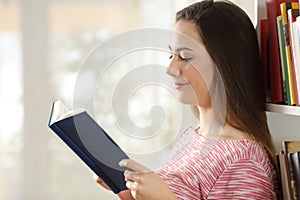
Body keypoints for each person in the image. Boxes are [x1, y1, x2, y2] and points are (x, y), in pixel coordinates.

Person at [95, 0, 278, 199]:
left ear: (225, 65)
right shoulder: (192, 136)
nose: (170, 69)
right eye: (171, 55)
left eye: (184, 56)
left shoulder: (244, 161)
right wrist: (133, 192)